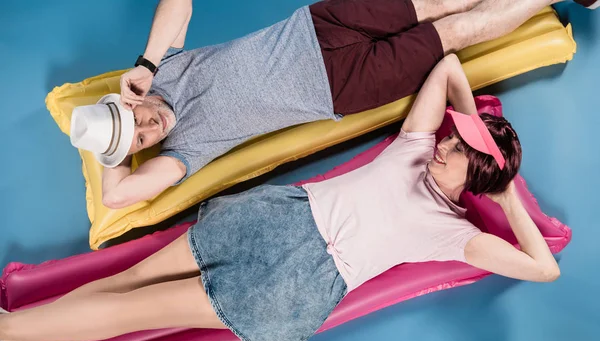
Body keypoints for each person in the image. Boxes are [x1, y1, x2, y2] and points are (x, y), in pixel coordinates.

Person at [1, 54, 561, 341]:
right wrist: (479, 134)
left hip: (293, 286)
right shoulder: (415, 147)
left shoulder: (453, 234)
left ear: (477, 180)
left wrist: (506, 191)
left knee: (133, 311)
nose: (446, 144)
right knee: (126, 283)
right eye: (455, 138)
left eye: (461, 152)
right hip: (271, 220)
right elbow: (449, 67)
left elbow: (544, 269)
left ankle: (4, 333)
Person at [68, 0, 593, 209]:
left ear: (127, 101)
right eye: (139, 144)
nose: (149, 132)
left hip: (319, 24)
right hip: (343, 88)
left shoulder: (167, 69)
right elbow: (117, 198)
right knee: (454, 31)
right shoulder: (183, 151)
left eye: (135, 124)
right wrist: (109, 149)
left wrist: (146, 64)